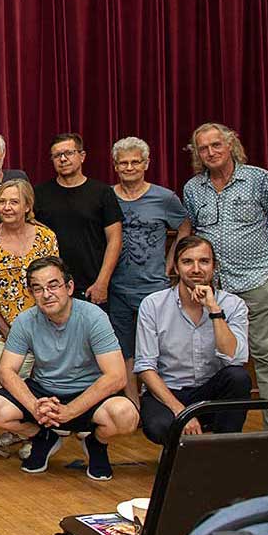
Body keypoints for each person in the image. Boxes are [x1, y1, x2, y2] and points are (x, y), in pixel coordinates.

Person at [0, 257, 139, 481]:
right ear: (31, 293)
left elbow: (117, 376)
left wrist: (70, 410)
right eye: (38, 288)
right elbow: (5, 371)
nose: (47, 294)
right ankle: (42, 437)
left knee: (126, 415)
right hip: (44, 393)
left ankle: (97, 443)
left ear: (69, 287)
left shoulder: (93, 317)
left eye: (53, 285)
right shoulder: (25, 321)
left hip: (87, 393)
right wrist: (34, 407)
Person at [182, 122, 268, 431]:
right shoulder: (193, 188)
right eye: (203, 148)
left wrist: (263, 258)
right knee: (218, 360)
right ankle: (224, 432)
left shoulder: (259, 180)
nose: (210, 152)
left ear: (230, 145)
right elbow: (192, 228)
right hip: (213, 289)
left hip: (255, 283)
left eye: (216, 145)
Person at [135, 236, 251, 444]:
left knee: (238, 377)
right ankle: (181, 451)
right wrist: (181, 412)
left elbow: (235, 358)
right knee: (159, 426)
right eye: (187, 261)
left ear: (214, 266)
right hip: (168, 392)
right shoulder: (153, 305)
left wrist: (214, 310)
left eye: (204, 261)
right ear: (176, 268)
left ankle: (224, 448)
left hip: (210, 392)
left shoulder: (233, 305)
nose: (196, 269)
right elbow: (145, 368)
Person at [109, 136, 190, 403]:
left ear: (146, 164)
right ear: (115, 166)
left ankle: (158, 402)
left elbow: (185, 227)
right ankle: (134, 405)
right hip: (117, 287)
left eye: (135, 162)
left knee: (158, 347)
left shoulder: (164, 198)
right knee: (124, 349)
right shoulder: (106, 197)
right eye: (123, 163)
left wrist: (171, 262)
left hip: (154, 286)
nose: (129, 167)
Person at [0, 180, 60, 391]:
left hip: (41, 330)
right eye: (2, 202)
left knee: (38, 393)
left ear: (27, 206)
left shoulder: (46, 238)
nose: (7, 207)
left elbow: (55, 285)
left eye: (14, 202)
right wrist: (9, 333)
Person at [34, 133, 123, 307]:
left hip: (92, 286)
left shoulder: (102, 192)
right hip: (51, 289)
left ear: (82, 156)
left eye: (69, 153)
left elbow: (115, 239)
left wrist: (102, 282)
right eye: (57, 155)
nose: (63, 159)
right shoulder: (39, 194)